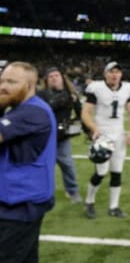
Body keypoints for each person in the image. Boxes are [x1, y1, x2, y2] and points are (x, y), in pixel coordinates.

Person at [0, 62, 57, 263]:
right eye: (2, 81)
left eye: (11, 82)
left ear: (29, 85)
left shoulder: (33, 111)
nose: (3, 86)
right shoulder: (17, 109)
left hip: (19, 204)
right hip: (18, 199)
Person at [81, 61, 130, 219]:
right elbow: (85, 113)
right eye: (111, 72)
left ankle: (114, 206)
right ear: (105, 74)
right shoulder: (96, 88)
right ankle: (89, 201)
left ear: (121, 74)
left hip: (118, 135)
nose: (114, 75)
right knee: (101, 171)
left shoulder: (127, 88)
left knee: (117, 172)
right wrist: (94, 128)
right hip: (102, 136)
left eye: (117, 72)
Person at [37, 66, 84, 204]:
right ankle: (42, 192)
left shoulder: (71, 93)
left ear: (62, 77)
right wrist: (65, 99)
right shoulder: (41, 94)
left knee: (67, 165)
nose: (53, 78)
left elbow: (80, 112)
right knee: (44, 166)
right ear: (47, 80)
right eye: (50, 76)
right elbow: (46, 108)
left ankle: (73, 191)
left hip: (62, 136)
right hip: (44, 136)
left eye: (56, 75)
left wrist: (85, 128)